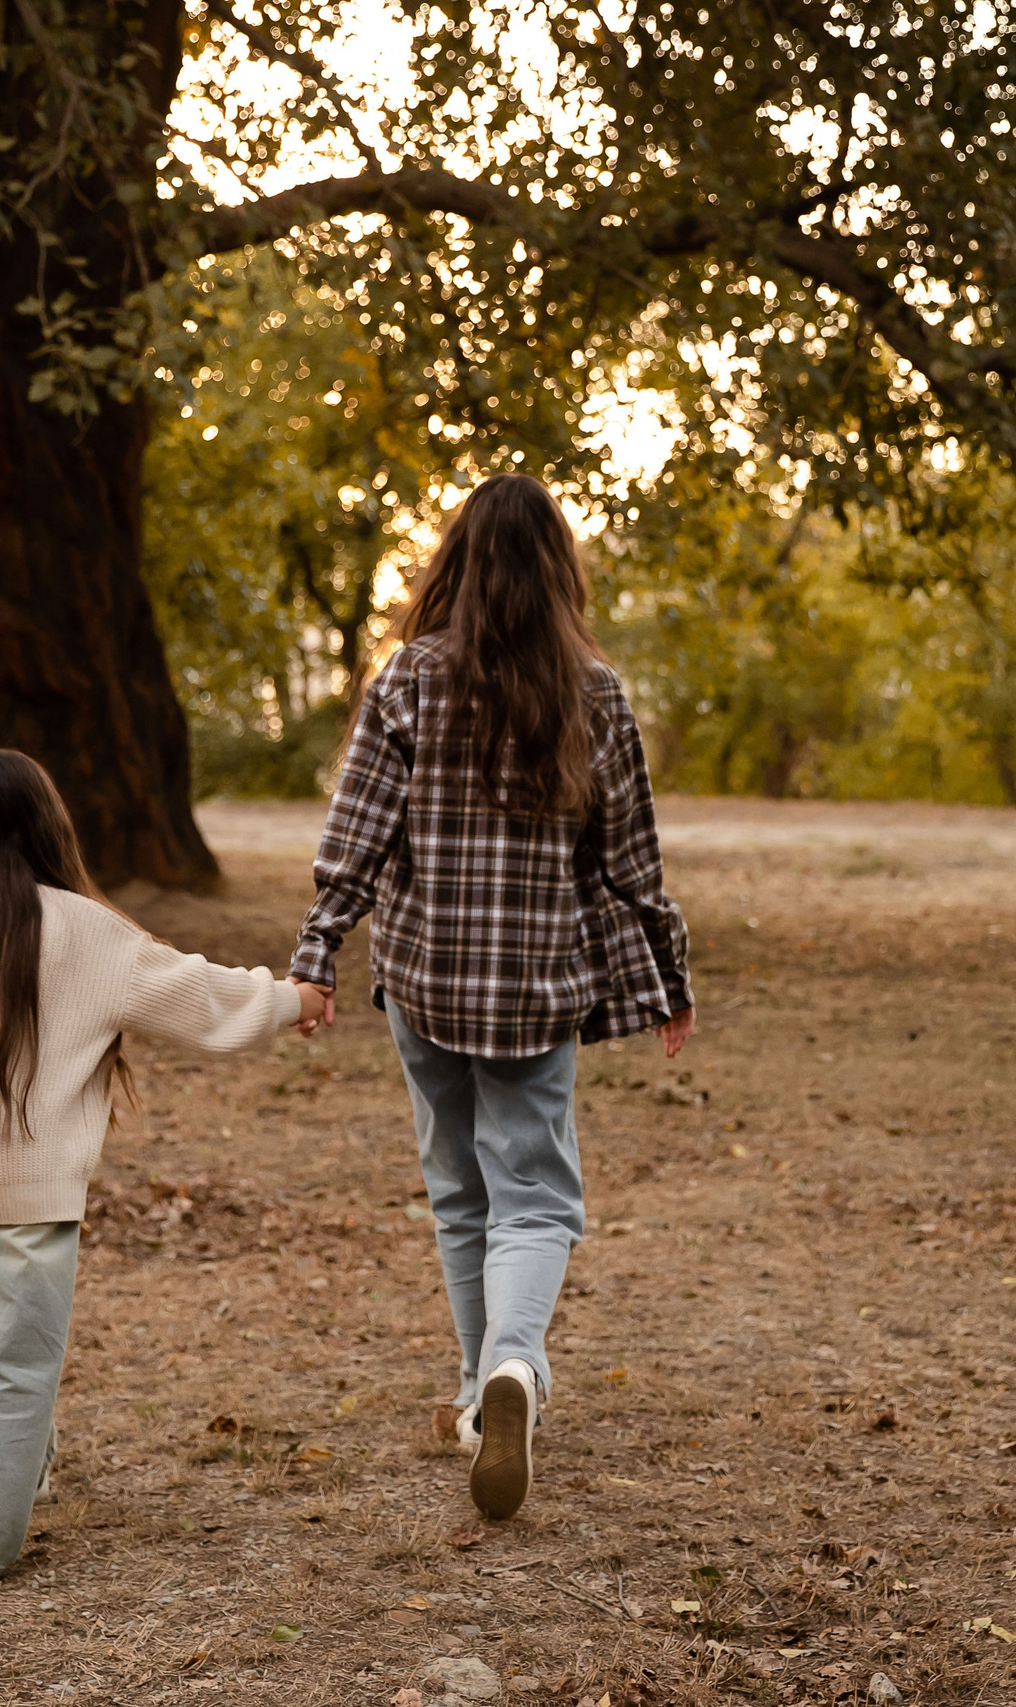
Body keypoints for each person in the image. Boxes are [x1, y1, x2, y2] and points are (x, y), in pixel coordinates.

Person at [289, 472, 694, 1523]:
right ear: (558, 569)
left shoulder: (409, 679)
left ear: (456, 564)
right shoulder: (593, 690)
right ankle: (511, 1370)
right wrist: (668, 974)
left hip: (424, 979)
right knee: (537, 1196)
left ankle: (482, 1395)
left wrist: (319, 949)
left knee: (459, 1192)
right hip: (533, 983)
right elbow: (631, 862)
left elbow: (356, 835)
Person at [0, 749, 326, 1592]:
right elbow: (200, 995)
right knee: (14, 1360)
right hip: (35, 1187)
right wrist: (291, 999)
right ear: (50, 826)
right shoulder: (91, 932)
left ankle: (18, 1476)